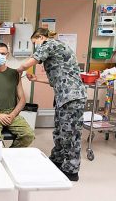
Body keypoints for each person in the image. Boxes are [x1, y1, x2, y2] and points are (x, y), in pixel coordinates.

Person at [17, 28, 86, 181]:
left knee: (71, 133)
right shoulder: (57, 49)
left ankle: (71, 170)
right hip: (64, 97)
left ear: (41, 37)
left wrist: (17, 70)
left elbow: (31, 61)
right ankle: (57, 159)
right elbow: (59, 80)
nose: (36, 47)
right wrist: (37, 80)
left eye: (35, 43)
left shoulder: (50, 44)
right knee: (60, 131)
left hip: (72, 97)